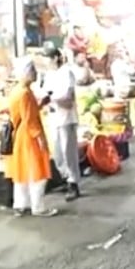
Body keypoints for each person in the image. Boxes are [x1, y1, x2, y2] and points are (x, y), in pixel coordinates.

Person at [6, 59, 60, 216]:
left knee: (22, 171)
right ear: (26, 74)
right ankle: (38, 207)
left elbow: (27, 113)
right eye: (33, 71)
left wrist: (40, 104)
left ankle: (20, 205)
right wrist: (40, 138)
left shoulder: (18, 91)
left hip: (21, 135)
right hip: (29, 136)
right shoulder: (25, 93)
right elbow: (30, 119)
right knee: (37, 171)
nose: (36, 74)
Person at [42, 49, 83, 201]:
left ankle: (73, 183)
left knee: (68, 151)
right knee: (58, 153)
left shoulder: (67, 72)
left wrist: (51, 98)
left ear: (56, 58)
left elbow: (68, 98)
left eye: (48, 58)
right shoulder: (48, 75)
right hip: (53, 118)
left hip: (67, 118)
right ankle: (66, 178)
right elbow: (45, 94)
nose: (46, 61)